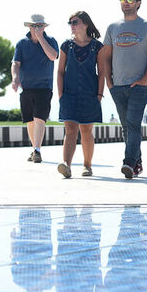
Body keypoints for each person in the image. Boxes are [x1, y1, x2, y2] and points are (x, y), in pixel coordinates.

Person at [101, 0, 147, 179]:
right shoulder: (112, 28)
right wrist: (109, 82)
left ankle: (128, 162)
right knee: (126, 127)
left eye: (129, 0)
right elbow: (106, 57)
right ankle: (137, 163)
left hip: (139, 87)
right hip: (117, 86)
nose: (125, 3)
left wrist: (143, 81)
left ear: (138, 3)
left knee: (133, 124)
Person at [56, 11, 104, 178]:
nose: (72, 25)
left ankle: (87, 166)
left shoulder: (97, 47)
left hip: (90, 94)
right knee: (70, 129)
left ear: (85, 24)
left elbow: (102, 73)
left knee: (86, 130)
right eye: (70, 23)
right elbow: (60, 72)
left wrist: (99, 95)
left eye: (75, 22)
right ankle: (66, 164)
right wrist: (61, 95)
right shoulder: (66, 46)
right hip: (69, 94)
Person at [11, 14, 59, 164]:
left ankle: (37, 150)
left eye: (40, 25)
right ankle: (34, 149)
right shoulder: (21, 44)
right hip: (26, 87)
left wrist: (41, 39)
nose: (37, 28)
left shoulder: (51, 41)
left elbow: (53, 56)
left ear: (44, 27)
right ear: (29, 27)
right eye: (34, 25)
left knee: (40, 118)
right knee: (30, 121)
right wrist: (15, 77)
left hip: (44, 87)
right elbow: (15, 63)